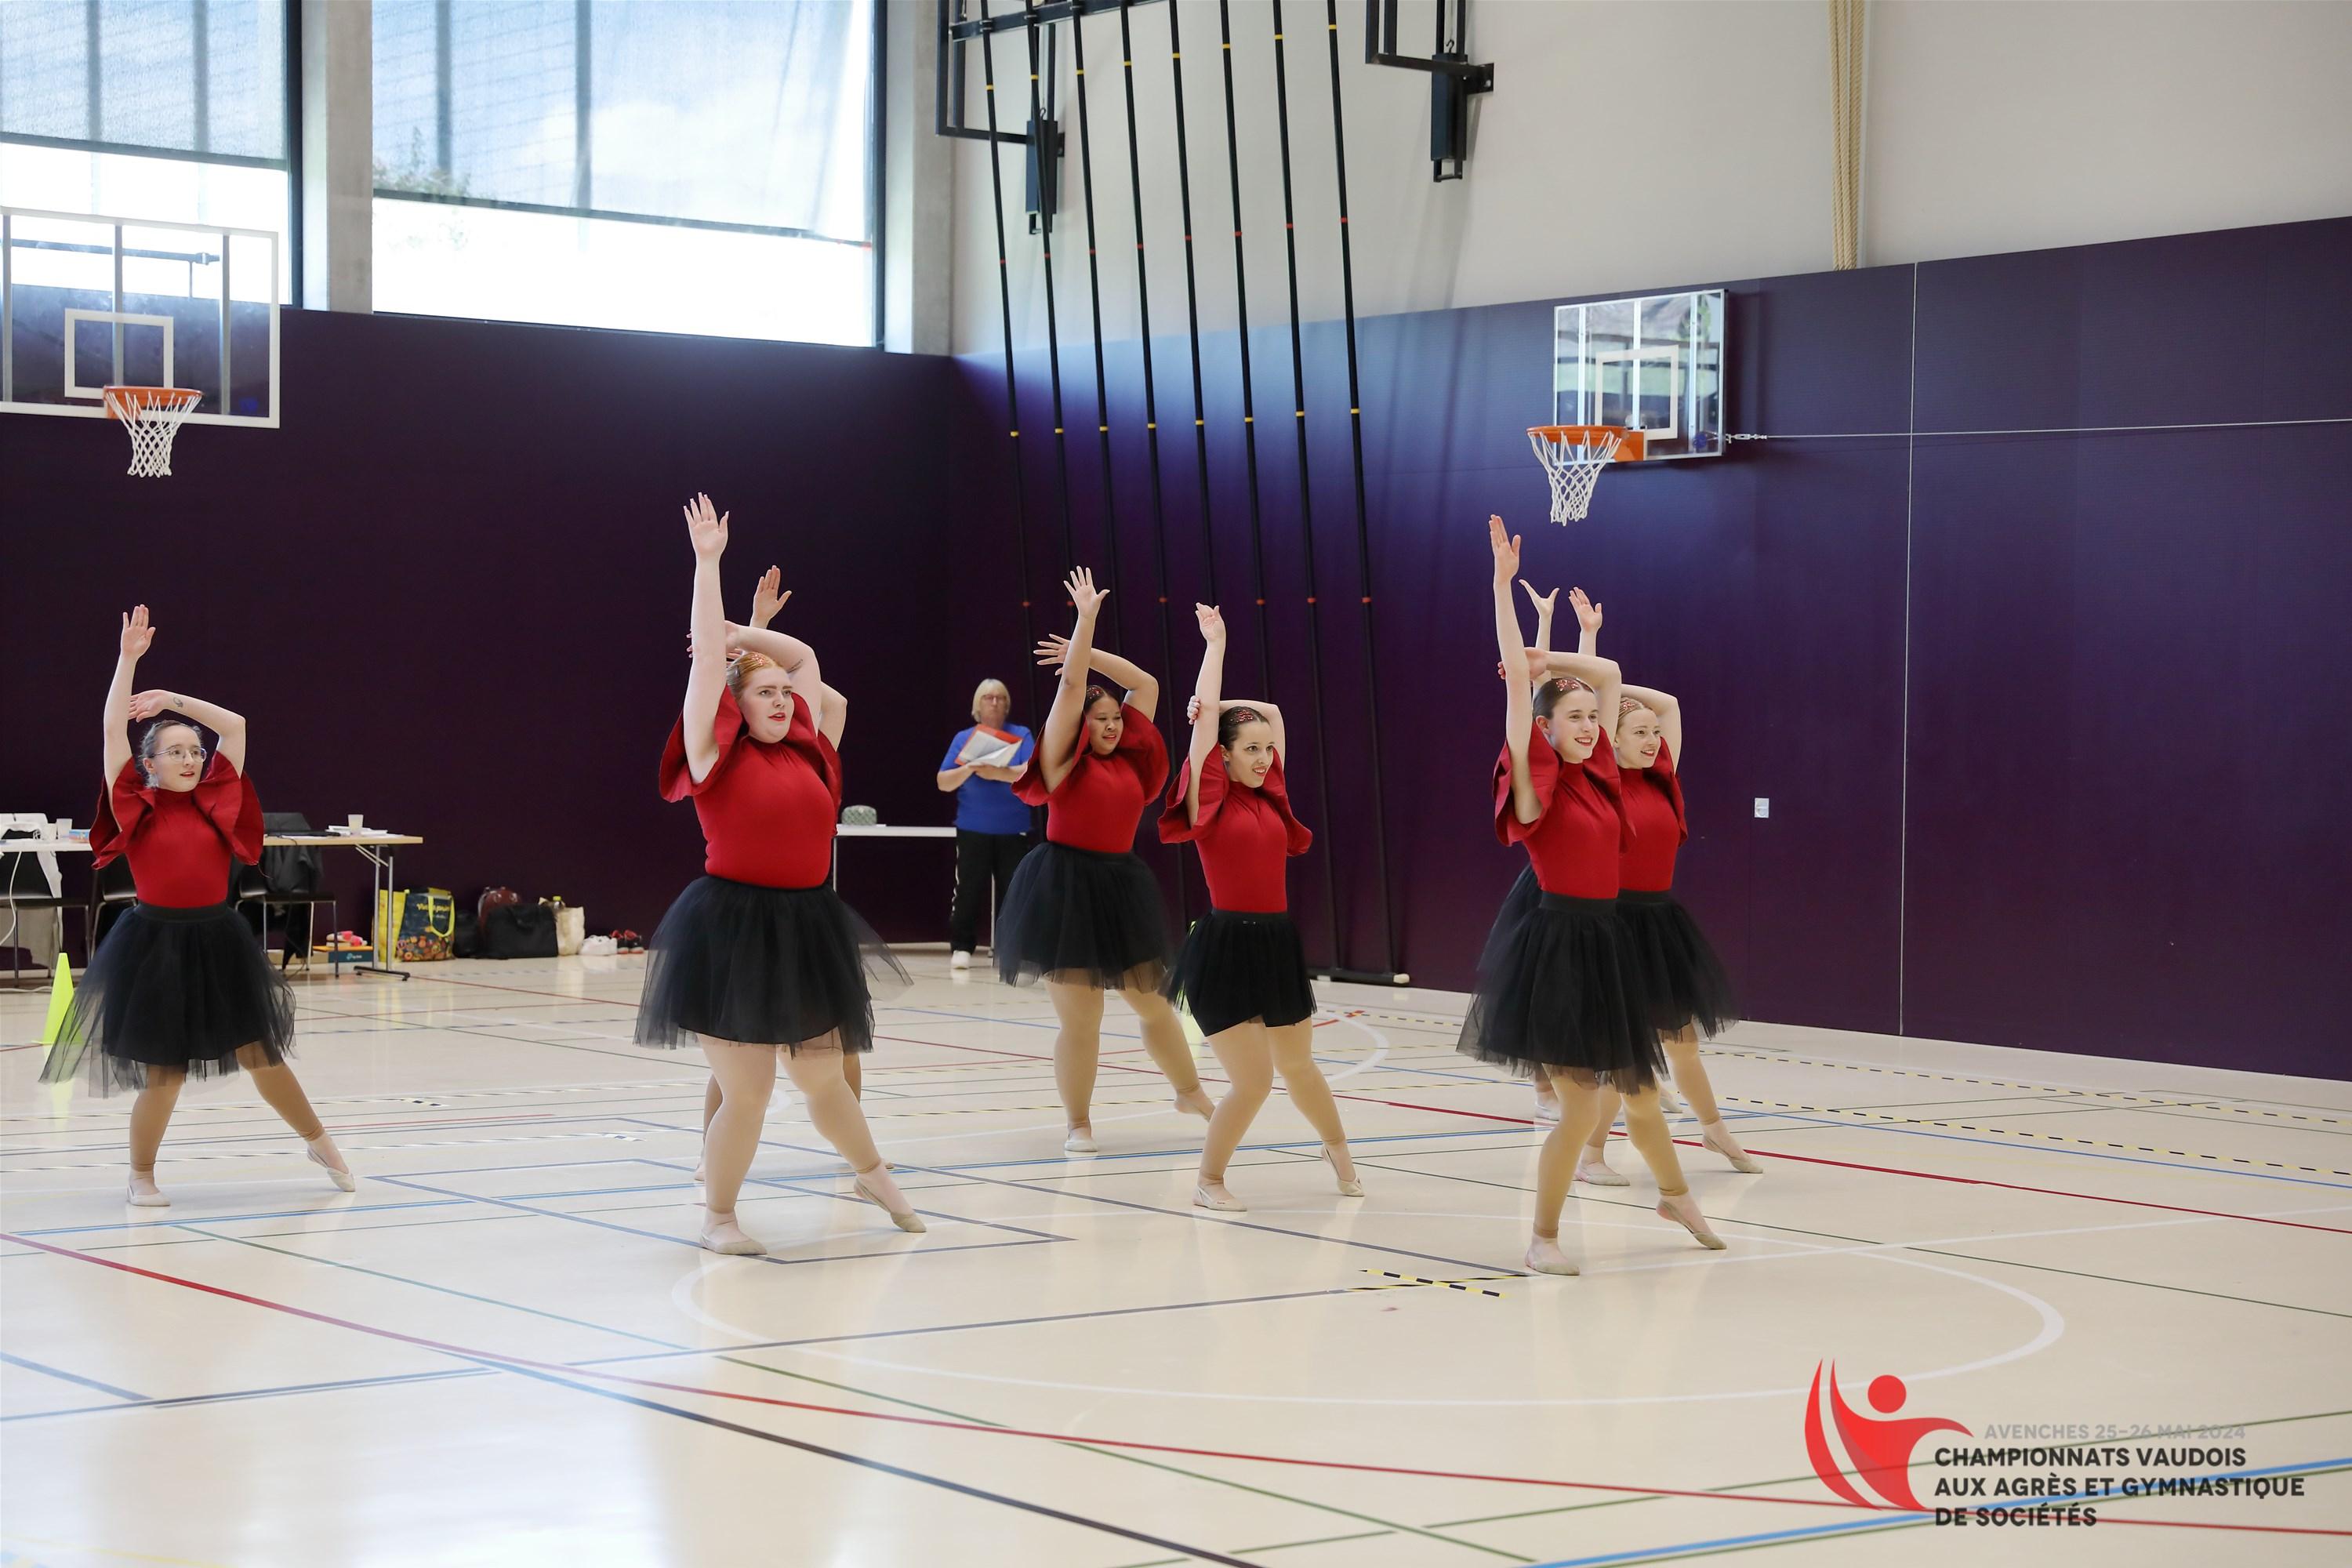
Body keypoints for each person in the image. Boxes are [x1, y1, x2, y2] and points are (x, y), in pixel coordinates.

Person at [635, 495, 917, 1255]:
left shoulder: (809, 751)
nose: (784, 698)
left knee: (824, 1072)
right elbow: (711, 665)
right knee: (748, 1088)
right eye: (765, 692)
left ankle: (874, 1174)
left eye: (785, 694)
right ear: (734, 703)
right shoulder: (712, 754)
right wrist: (709, 568)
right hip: (733, 924)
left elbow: (806, 662)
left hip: (806, 922)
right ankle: (720, 1213)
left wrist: (748, 634)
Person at [1458, 518, 1725, 1276]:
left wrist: (1559, 661)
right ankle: (1543, 1237)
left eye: (1589, 720)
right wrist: (1504, 592)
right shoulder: (1534, 787)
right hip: (1560, 948)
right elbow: (1520, 693)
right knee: (1579, 1109)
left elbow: (1607, 677)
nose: (1587, 726)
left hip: (1609, 943)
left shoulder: (1605, 774)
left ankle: (1675, 1196)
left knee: (1640, 1089)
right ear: (1543, 730)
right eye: (1570, 720)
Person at [40, 605, 354, 1207]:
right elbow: (112, 730)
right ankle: (141, 1174)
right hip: (154, 945)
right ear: (149, 765)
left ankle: (319, 1143)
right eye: (176, 752)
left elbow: (234, 726)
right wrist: (128, 662)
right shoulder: (135, 803)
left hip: (218, 940)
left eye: (195, 752)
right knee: (166, 1073)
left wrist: (175, 701)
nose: (190, 759)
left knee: (263, 1056)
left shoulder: (217, 800)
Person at [993, 567, 1218, 1154]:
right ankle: (1079, 1122)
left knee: (1155, 1004)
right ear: (1082, 727)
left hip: (1119, 887)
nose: (1114, 725)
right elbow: (1071, 690)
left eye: (1118, 719)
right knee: (1082, 1020)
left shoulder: (1130, 761)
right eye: (1103, 720)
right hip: (1064, 887)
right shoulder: (1062, 759)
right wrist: (1084, 625)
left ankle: (1189, 1090)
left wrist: (1089, 653)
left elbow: (1144, 683)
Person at [1161, 604, 1362, 1211]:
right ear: (1221, 756)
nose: (1264, 758)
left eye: (1267, 751)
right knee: (1252, 1082)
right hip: (1224, 949)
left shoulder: (1272, 798)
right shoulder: (1208, 804)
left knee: (1300, 1067)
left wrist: (1231, 713)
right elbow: (1207, 731)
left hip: (1276, 944)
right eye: (1250, 749)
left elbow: (1272, 713)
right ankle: (1210, 1180)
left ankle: (1337, 1150)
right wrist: (1215, 655)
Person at [1564, 587, 1759, 1185]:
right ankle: (1592, 1155)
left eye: (1655, 734)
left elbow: (1669, 703)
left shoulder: (1661, 780)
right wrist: (1598, 685)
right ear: (1611, 740)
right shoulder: (1598, 782)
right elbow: (1598, 715)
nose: (1653, 741)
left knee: (1683, 1042)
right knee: (1620, 1052)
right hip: (1614, 923)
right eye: (1640, 733)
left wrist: (1624, 696)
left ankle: (1713, 1127)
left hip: (1659, 923)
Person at [936, 677, 1036, 971]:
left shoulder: (1021, 734)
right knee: (968, 889)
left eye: (1000, 698)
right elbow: (943, 782)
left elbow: (1030, 772)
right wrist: (970, 768)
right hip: (973, 828)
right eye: (988, 698)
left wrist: (997, 773)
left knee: (1014, 891)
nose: (994, 703)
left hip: (1013, 829)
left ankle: (1012, 950)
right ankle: (962, 947)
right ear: (977, 706)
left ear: (1007, 705)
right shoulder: (964, 738)